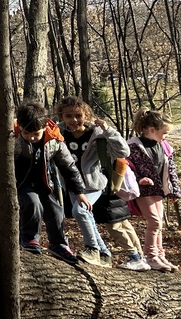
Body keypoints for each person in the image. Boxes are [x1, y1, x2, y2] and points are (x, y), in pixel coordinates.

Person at [0, 101, 90, 264]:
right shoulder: (12, 138)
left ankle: (58, 244)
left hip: (45, 182)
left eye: (36, 134)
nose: (31, 138)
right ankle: (29, 239)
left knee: (56, 210)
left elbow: (68, 167)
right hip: (21, 183)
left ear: (45, 128)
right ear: (21, 128)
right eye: (26, 133)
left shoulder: (54, 139)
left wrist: (79, 193)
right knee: (33, 203)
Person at [55, 96, 130, 267]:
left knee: (80, 212)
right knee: (85, 214)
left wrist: (108, 130)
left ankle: (92, 249)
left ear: (86, 115)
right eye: (68, 116)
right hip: (72, 184)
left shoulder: (97, 133)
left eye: (78, 115)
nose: (74, 120)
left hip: (93, 184)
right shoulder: (58, 133)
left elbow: (123, 151)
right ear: (62, 116)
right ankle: (105, 254)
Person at [127, 108, 180, 272]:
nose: (166, 136)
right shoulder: (133, 146)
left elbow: (170, 169)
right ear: (152, 130)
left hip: (158, 190)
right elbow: (124, 167)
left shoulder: (164, 147)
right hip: (143, 191)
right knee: (154, 222)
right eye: (164, 132)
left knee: (160, 224)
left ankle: (160, 255)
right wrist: (138, 179)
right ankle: (150, 256)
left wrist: (174, 191)